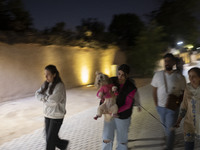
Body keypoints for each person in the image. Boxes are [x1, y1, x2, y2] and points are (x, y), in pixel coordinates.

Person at [151, 53, 186, 150]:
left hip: (173, 108)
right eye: (166, 61)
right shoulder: (158, 75)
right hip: (160, 108)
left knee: (170, 130)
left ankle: (169, 147)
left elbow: (184, 92)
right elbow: (154, 90)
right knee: (166, 128)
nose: (167, 63)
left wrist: (178, 103)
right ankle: (172, 140)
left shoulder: (179, 77)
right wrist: (156, 105)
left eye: (169, 61)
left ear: (174, 62)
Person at [102, 64, 141, 150]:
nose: (120, 76)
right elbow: (103, 91)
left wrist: (115, 111)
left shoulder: (131, 87)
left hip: (123, 116)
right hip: (109, 114)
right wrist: (103, 106)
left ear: (127, 75)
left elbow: (128, 104)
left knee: (122, 141)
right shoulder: (112, 81)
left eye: (123, 75)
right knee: (106, 138)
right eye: (119, 74)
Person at [35, 65, 69, 150]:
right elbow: (37, 94)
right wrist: (46, 98)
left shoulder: (59, 86)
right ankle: (63, 144)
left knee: (50, 140)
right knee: (49, 138)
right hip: (47, 114)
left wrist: (44, 98)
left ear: (54, 74)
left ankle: (63, 144)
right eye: (45, 74)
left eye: (48, 74)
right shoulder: (46, 84)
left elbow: (53, 102)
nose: (46, 76)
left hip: (56, 116)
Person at [174, 67, 200, 150]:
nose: (191, 78)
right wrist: (178, 120)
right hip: (189, 123)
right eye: (189, 76)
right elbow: (184, 105)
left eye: (194, 76)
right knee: (188, 146)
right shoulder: (187, 88)